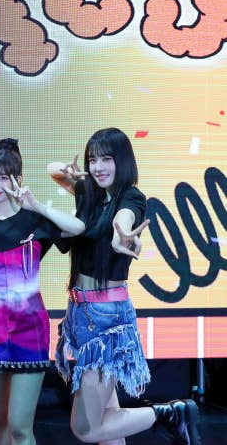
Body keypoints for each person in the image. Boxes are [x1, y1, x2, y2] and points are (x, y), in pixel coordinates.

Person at [50, 127, 201, 445]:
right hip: (80, 314)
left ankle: (170, 413)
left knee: (86, 428)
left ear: (123, 161)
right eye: (93, 159)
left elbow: (124, 221)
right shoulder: (89, 193)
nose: (98, 167)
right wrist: (68, 172)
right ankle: (168, 414)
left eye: (107, 159)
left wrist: (124, 238)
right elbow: (53, 170)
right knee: (109, 422)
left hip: (106, 320)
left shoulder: (130, 197)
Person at [0, 138, 84, 445]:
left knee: (19, 426)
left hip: (30, 330)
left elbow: (78, 228)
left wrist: (37, 206)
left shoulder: (34, 221)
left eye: (3, 177)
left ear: (18, 179)